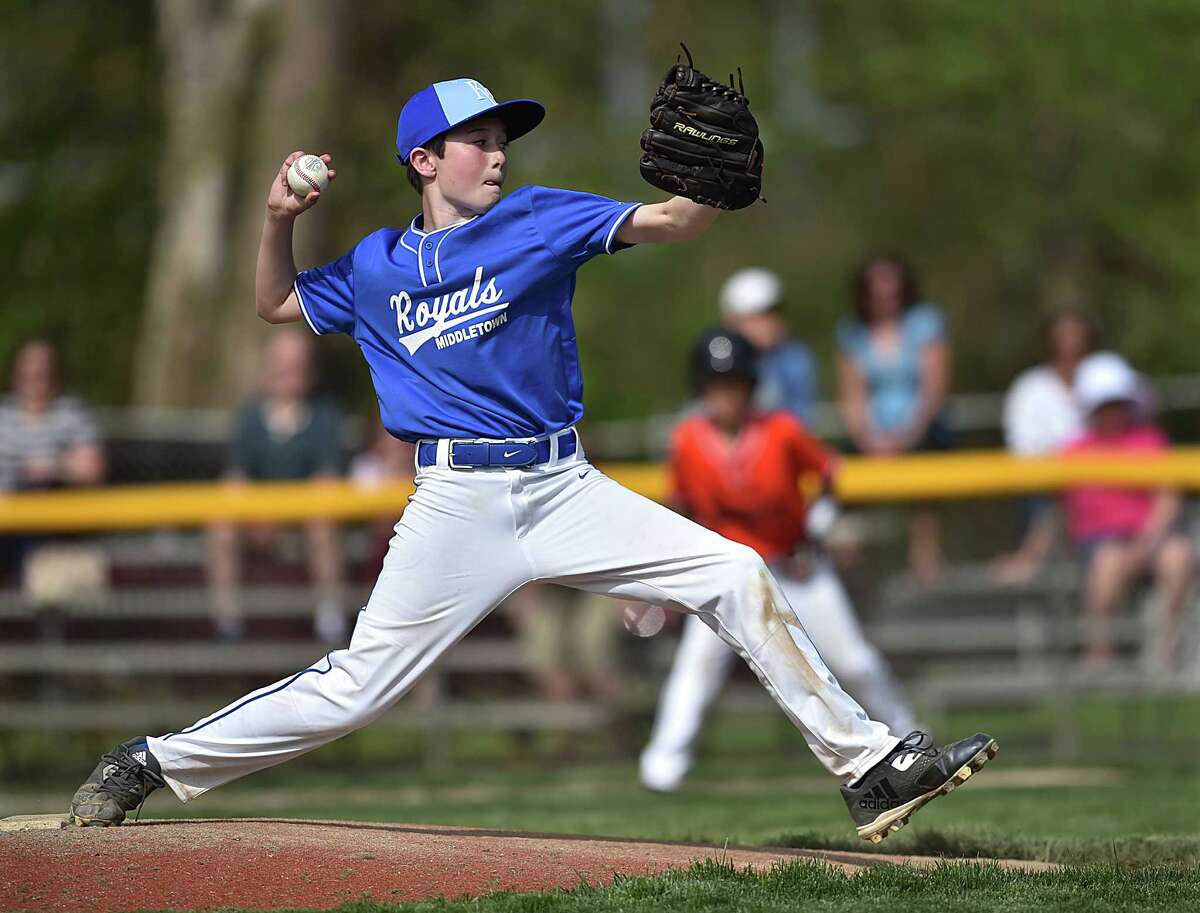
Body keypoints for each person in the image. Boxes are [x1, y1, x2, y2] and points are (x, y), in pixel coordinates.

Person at [67, 76, 994, 844]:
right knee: (356, 689)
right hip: (455, 499)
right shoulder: (377, 263)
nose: (499, 152)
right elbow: (275, 306)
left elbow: (671, 224)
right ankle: (151, 760)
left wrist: (711, 189)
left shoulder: (539, 218)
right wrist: (277, 221)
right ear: (424, 161)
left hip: (562, 483)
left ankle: (869, 767)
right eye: (476, 139)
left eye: (502, 137)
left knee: (733, 569)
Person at [639, 328, 917, 793]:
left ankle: (911, 742)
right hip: (726, 577)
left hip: (795, 566)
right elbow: (680, 505)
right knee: (696, 669)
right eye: (715, 385)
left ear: (750, 385)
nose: (725, 394)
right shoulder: (687, 440)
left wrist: (818, 529)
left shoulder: (780, 429)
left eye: (734, 383)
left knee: (855, 663)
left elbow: (830, 476)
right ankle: (663, 766)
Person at [206, 329, 347, 642]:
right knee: (221, 526)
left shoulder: (325, 415)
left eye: (297, 364)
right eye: (282, 364)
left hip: (306, 524)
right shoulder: (250, 417)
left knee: (322, 524)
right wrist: (256, 514)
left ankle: (330, 619)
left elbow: (327, 484)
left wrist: (283, 514)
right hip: (257, 523)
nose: (289, 372)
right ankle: (227, 621)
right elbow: (235, 481)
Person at [1061, 352, 1193, 669]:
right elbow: (1062, 514)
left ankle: (1166, 651)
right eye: (1104, 404)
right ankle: (1100, 655)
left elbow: (1168, 497)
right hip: (1100, 543)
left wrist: (1145, 542)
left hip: (1150, 536)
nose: (1112, 411)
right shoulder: (1073, 451)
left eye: (1117, 403)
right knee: (1108, 562)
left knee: (1178, 555)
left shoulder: (1149, 441)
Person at [837, 256, 951, 586]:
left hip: (923, 431)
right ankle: (847, 567)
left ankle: (926, 567)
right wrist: (867, 437)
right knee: (838, 481)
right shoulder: (853, 333)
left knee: (927, 483)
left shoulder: (925, 324)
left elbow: (934, 389)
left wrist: (906, 437)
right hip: (873, 437)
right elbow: (852, 398)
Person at [991, 309, 1091, 584]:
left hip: (1100, 482)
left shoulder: (1103, 381)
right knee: (1055, 496)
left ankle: (1029, 559)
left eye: (1076, 337)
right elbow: (1023, 448)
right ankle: (1031, 558)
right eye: (1064, 337)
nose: (1070, 344)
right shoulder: (1030, 388)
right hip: (1048, 484)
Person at [0, 340, 105, 578]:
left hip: (50, 519)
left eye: (42, 370)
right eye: (29, 369)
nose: (35, 376)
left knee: (38, 488)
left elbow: (91, 469)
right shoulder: (3, 415)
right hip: (5, 518)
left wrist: (50, 467)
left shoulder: (71, 413)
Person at [718, 268, 818, 422]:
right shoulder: (718, 359)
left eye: (772, 315)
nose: (768, 325)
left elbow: (799, 420)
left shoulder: (795, 360)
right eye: (757, 318)